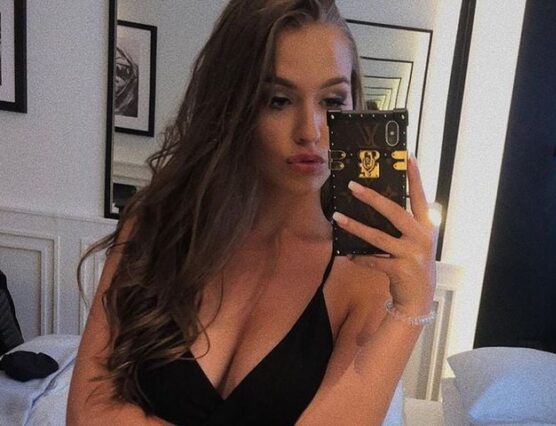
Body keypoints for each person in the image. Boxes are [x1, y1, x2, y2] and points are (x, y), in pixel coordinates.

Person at [66, 0, 437, 424]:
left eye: (332, 101)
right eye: (278, 100)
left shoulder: (364, 273)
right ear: (231, 105)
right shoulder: (154, 226)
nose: (311, 131)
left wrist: (412, 310)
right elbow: (86, 414)